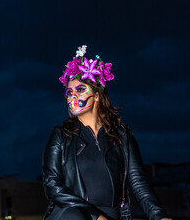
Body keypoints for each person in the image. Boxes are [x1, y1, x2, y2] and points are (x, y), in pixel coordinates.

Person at [42, 45, 172, 220]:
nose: (72, 96)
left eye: (80, 90)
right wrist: (94, 216)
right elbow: (52, 185)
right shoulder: (60, 135)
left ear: (96, 95)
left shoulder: (122, 136)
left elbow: (138, 182)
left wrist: (159, 216)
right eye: (69, 92)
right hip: (71, 213)